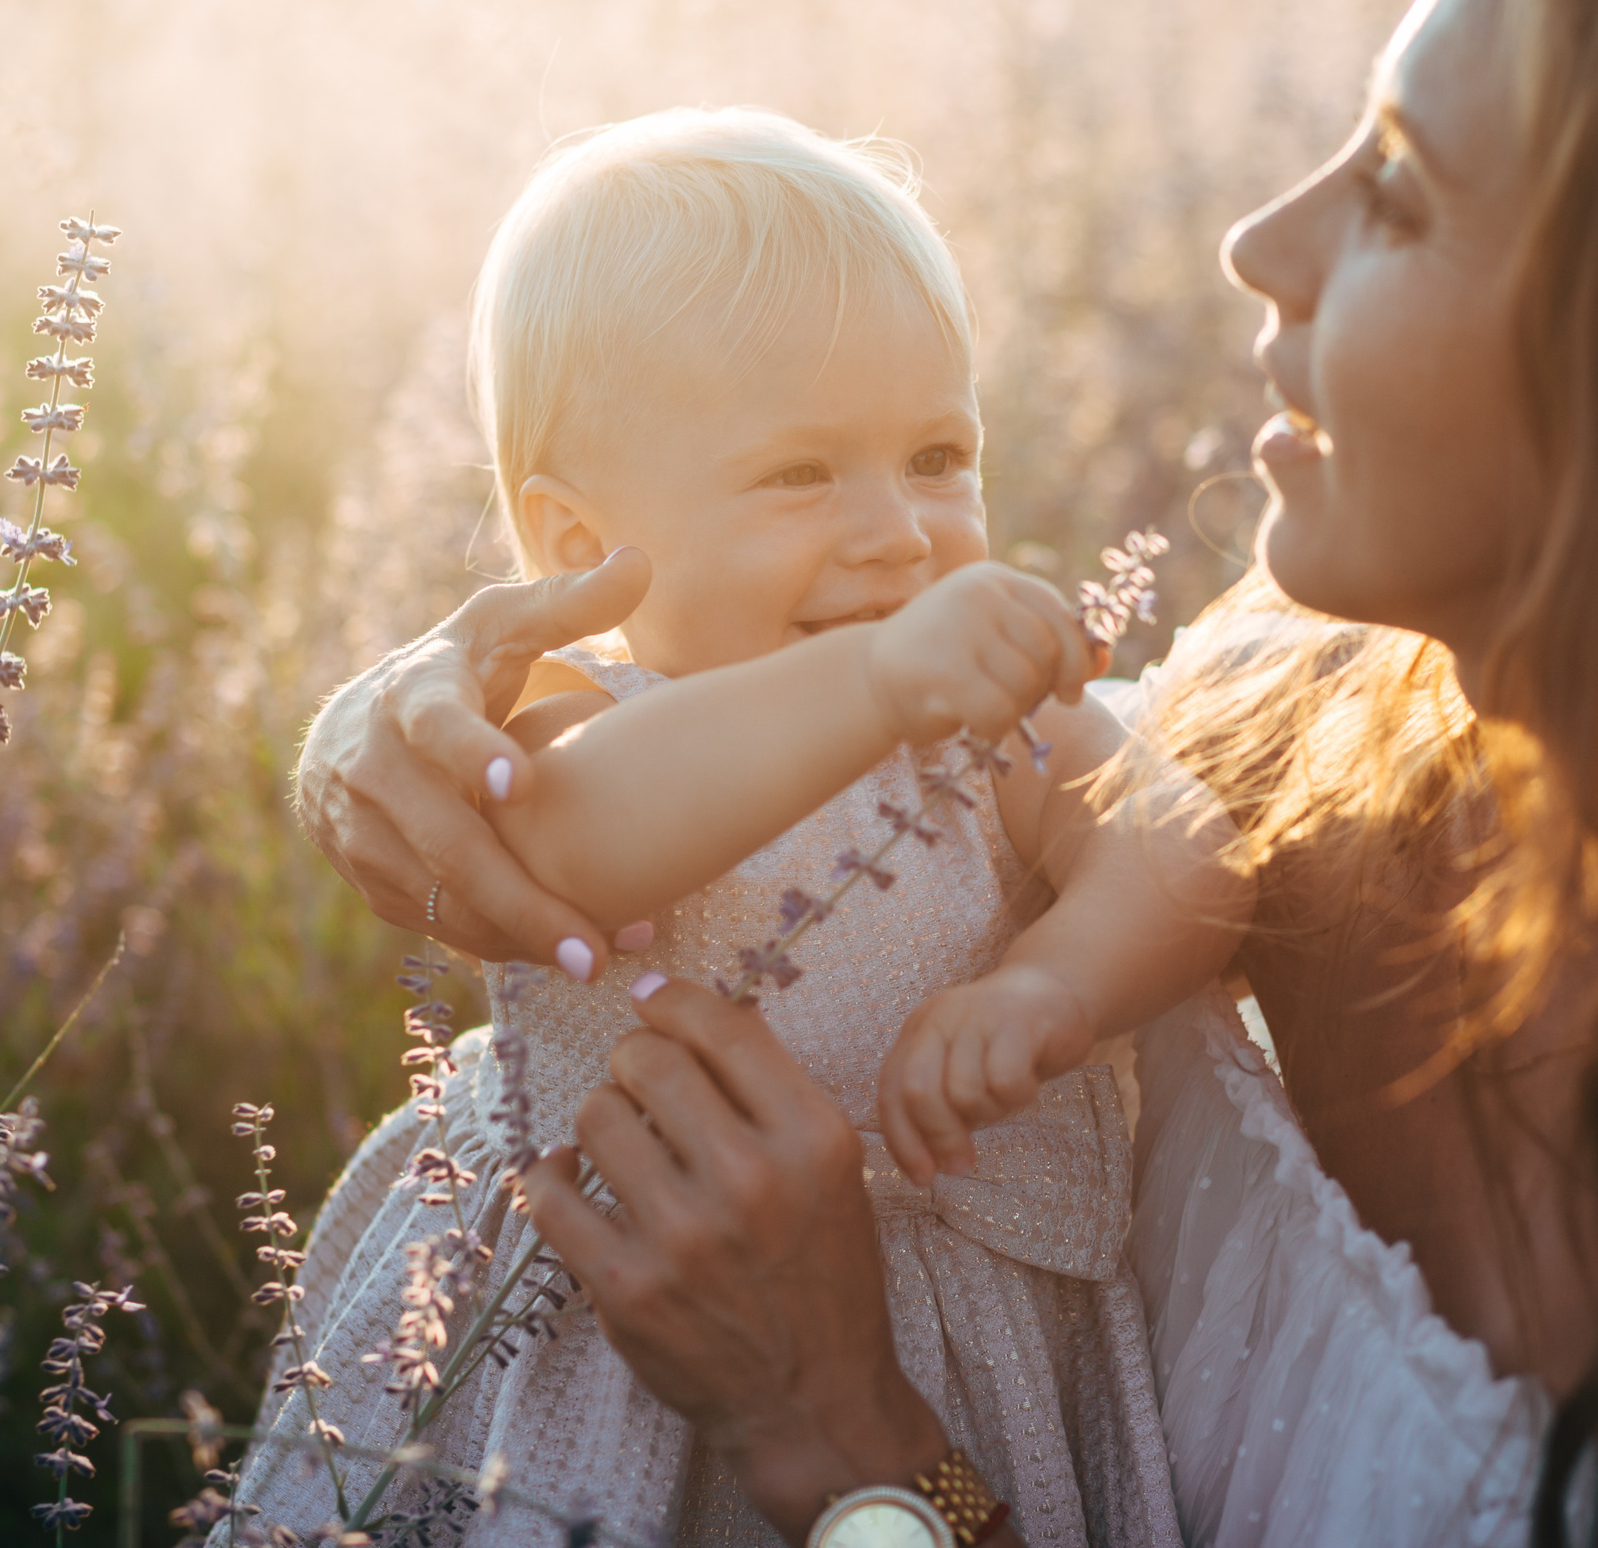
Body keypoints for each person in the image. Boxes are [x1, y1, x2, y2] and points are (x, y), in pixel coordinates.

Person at [296, 0, 1598, 1542]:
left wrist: (844, 1434)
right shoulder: (1296, 725)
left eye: (1398, 191)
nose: (1253, 242)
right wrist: (378, 739)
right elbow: (673, 750)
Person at [244, 108, 1246, 1546]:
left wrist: (1053, 980)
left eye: (937, 456)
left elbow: (1179, 843)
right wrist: (876, 680)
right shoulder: (591, 706)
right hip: (609, 1322)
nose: (899, 531)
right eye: (800, 474)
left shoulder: (982, 708)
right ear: (586, 550)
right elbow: (576, 848)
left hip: (943, 1336)